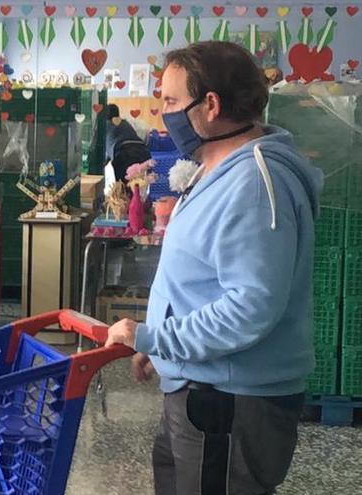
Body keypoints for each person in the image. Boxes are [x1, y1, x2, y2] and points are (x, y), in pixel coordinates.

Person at [105, 41, 322, 494]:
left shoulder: (254, 184)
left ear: (210, 105)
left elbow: (249, 306)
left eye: (169, 101)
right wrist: (165, 345)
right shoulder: (217, 169)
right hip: (201, 386)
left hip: (229, 402)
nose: (161, 111)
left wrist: (154, 336)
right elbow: (203, 278)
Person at [105, 103, 152, 182]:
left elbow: (105, 152)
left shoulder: (106, 125)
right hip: (143, 151)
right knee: (141, 185)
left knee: (124, 188)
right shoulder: (125, 123)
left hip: (123, 154)